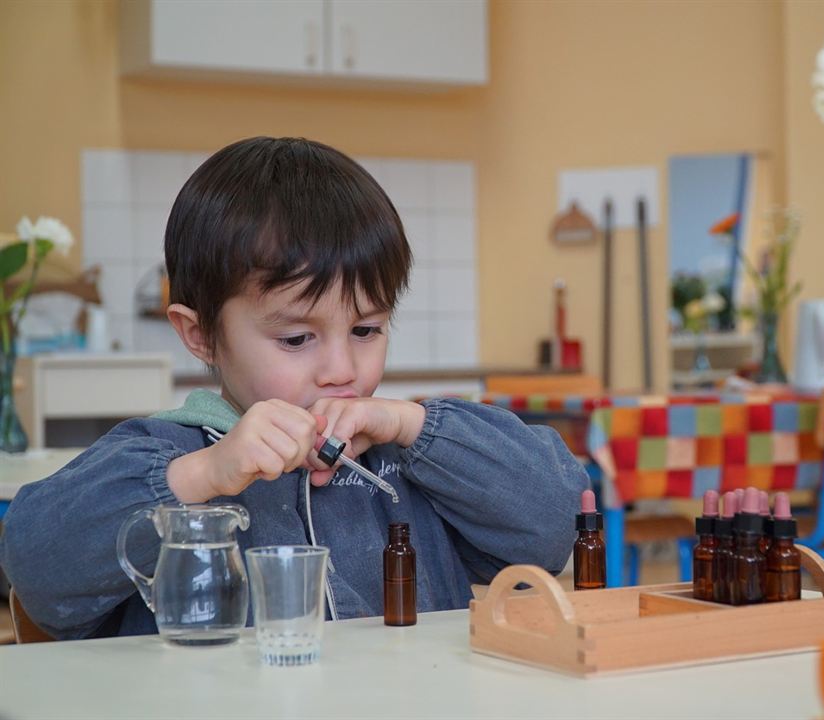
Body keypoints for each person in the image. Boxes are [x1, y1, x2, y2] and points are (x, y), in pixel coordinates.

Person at [0, 137, 587, 639]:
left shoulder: (409, 464)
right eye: (296, 339)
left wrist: (415, 425)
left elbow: (555, 525)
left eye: (366, 329)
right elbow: (35, 565)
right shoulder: (168, 455)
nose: (341, 369)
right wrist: (201, 476)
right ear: (201, 334)